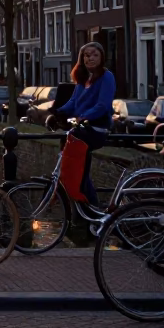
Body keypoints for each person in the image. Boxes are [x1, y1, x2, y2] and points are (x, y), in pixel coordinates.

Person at [53, 42, 115, 206]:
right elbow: (73, 102)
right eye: (87, 55)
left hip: (96, 129)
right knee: (79, 174)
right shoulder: (82, 79)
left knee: (79, 175)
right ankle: (84, 210)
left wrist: (82, 117)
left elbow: (103, 105)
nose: (91, 58)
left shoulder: (106, 77)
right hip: (83, 130)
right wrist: (57, 112)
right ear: (82, 58)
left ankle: (92, 209)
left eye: (95, 55)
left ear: (101, 57)